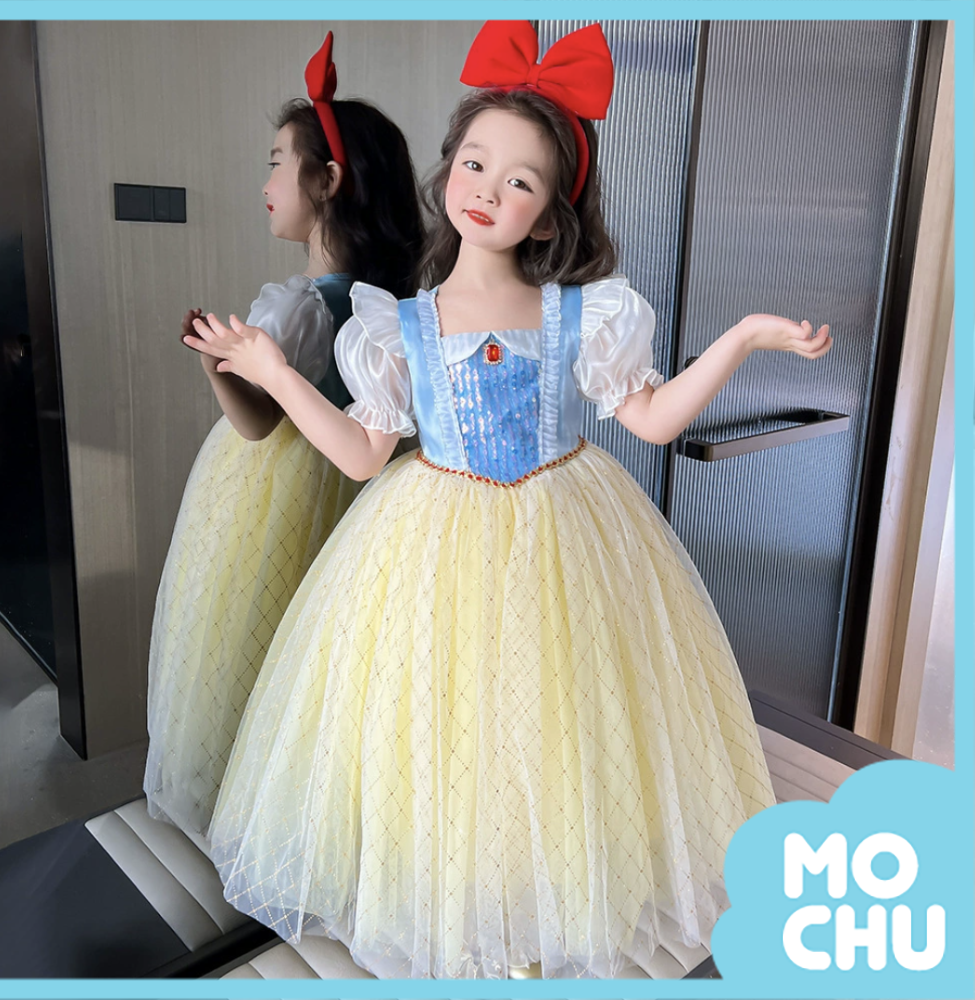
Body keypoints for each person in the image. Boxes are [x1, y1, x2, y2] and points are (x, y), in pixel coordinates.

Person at [188, 21, 831, 978]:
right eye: (476, 163)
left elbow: (651, 419)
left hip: (568, 538)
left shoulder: (584, 311)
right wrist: (274, 372)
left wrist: (739, 338)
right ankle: (456, 914)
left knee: (560, 731)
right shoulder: (397, 325)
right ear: (449, 169)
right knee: (438, 727)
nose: (489, 189)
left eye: (521, 180)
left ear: (548, 216)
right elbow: (362, 455)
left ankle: (539, 917)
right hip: (429, 544)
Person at [144, 32, 423, 841]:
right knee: (334, 661)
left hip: (281, 496)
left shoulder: (297, 305)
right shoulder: (389, 303)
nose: (266, 184)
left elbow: (259, 422)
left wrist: (215, 363)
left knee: (253, 649)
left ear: (327, 180)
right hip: (364, 499)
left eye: (277, 163)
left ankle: (249, 816)